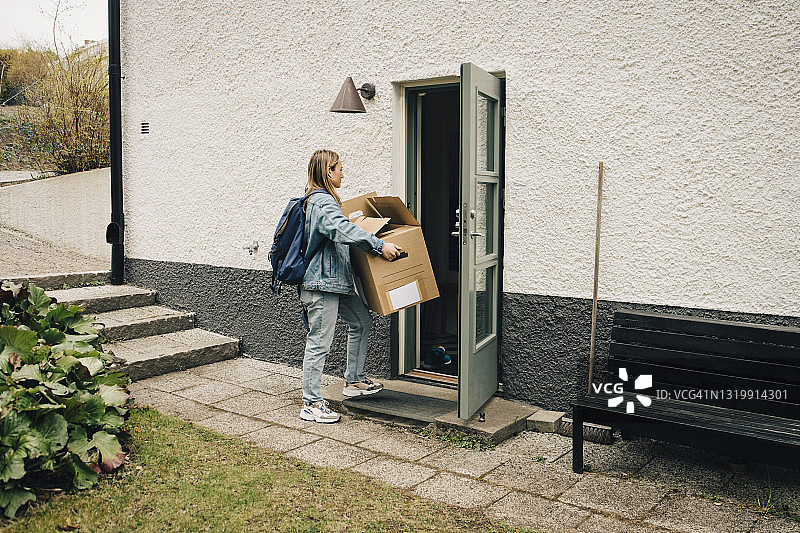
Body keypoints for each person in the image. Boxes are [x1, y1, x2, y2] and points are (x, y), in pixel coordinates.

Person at [298, 149, 402, 423]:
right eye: (339, 169)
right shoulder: (321, 202)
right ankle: (311, 403)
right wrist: (379, 246)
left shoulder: (326, 201)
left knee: (362, 322)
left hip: (336, 282)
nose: (343, 173)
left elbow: (342, 232)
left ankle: (353, 381)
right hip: (321, 284)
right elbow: (343, 231)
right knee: (319, 342)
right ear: (327, 171)